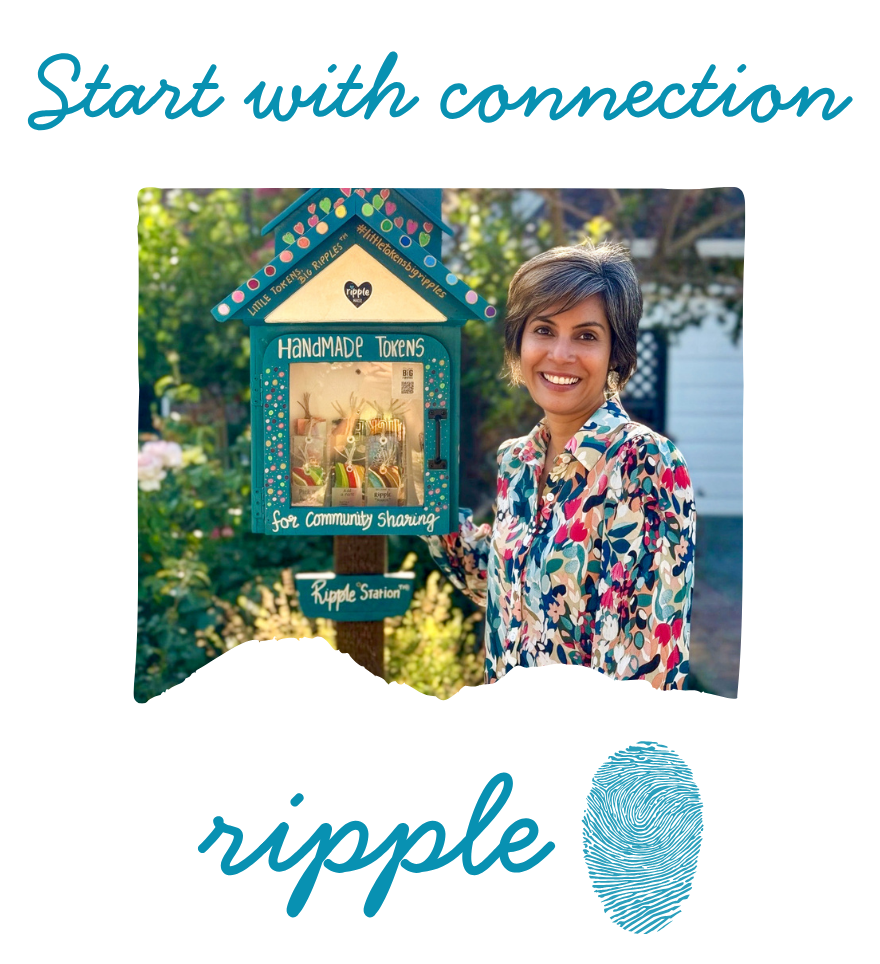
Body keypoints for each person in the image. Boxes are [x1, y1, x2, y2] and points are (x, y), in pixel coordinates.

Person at [422, 240, 696, 704]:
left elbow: (648, 665)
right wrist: (424, 488)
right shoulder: (519, 461)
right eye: (544, 330)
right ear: (519, 343)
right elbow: (507, 590)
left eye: (586, 336)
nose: (561, 354)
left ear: (616, 352)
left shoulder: (645, 462)